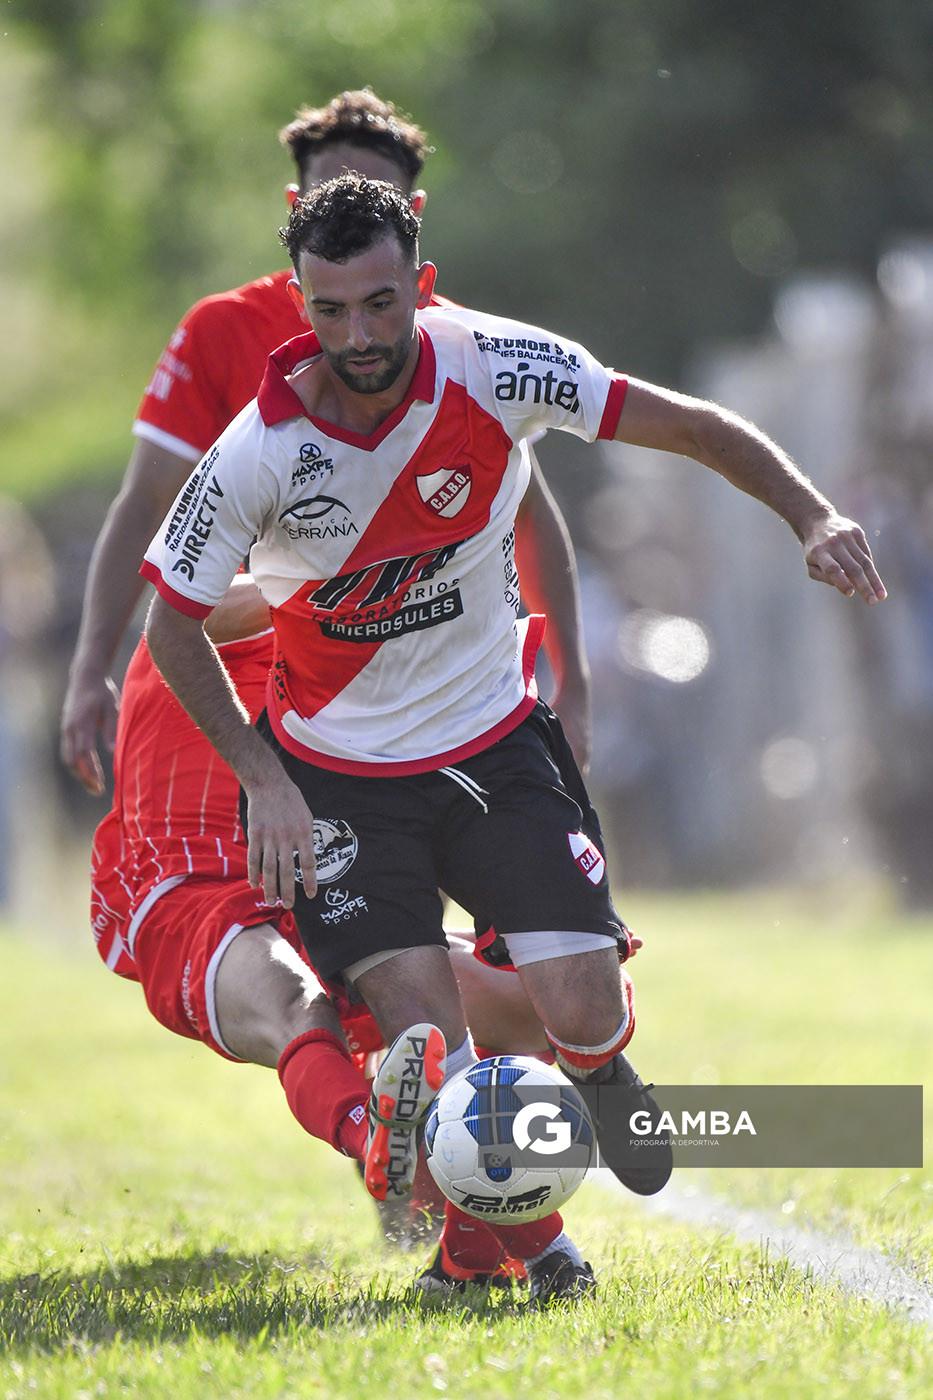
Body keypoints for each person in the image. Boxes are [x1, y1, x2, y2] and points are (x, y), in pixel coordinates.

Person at [142, 174, 885, 1296]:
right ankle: (506, 1255)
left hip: (493, 744)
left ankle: (598, 1064)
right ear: (302, 303)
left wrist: (812, 513)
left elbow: (688, 424)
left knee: (578, 1001)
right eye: (330, 309)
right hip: (340, 780)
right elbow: (171, 621)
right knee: (424, 1053)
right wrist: (264, 777)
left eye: (381, 303)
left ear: (417, 280)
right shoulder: (258, 450)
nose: (359, 334)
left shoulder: (498, 363)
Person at [93, 570, 617, 1298]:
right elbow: (193, 614)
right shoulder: (254, 593)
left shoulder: (393, 650)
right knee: (294, 1005)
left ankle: (465, 1251)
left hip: (314, 882)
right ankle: (380, 1142)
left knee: (528, 1004)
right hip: (192, 885)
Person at [61, 90, 591, 796]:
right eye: (327, 193)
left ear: (412, 215)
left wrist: (575, 686)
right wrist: (90, 664)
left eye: (373, 195)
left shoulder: (463, 344)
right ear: (294, 204)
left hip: (418, 677)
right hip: (248, 666)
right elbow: (146, 501)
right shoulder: (220, 328)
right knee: (257, 880)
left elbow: (527, 511)